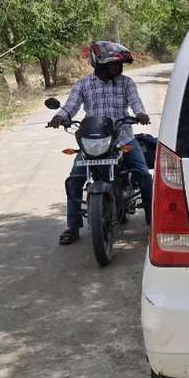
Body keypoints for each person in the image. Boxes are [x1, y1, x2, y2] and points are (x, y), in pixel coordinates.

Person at [48, 40, 153, 245]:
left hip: (123, 140)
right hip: (93, 142)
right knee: (75, 179)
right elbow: (70, 106)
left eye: (120, 64)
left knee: (144, 175)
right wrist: (60, 117)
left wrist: (140, 113)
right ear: (99, 64)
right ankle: (73, 226)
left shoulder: (126, 83)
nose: (119, 68)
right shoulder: (84, 84)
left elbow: (135, 102)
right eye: (114, 64)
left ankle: (153, 222)